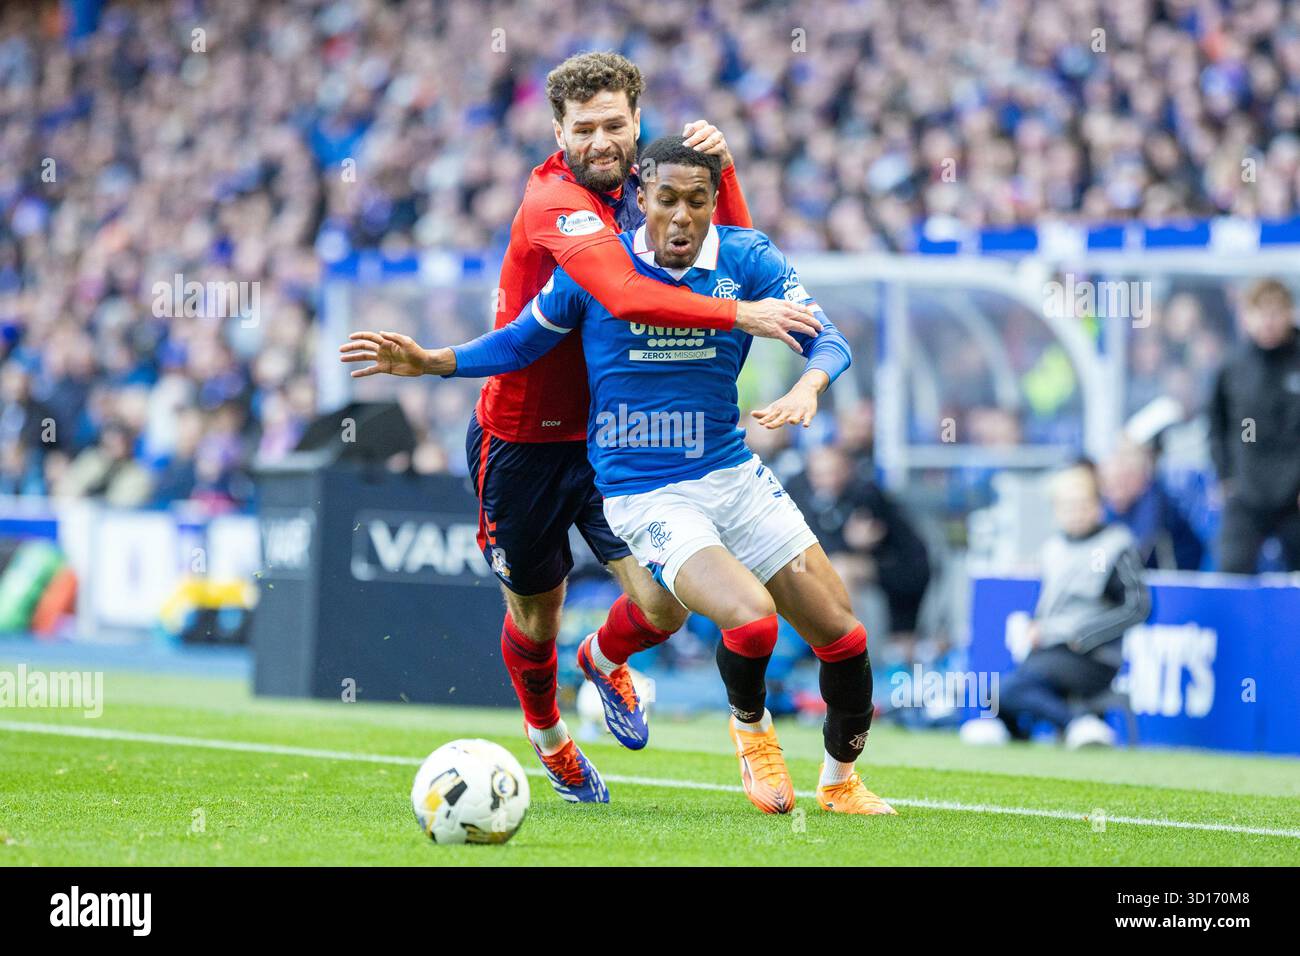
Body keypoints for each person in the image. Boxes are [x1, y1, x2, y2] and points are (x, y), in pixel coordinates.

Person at [345, 137, 895, 817]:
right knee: (750, 622)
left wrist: (811, 386)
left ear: (714, 200)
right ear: (641, 200)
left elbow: (828, 338)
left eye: (698, 200)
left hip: (732, 472)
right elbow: (522, 339)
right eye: (666, 199)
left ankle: (841, 781)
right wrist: (437, 361)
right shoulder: (597, 270)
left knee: (845, 638)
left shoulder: (748, 258)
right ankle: (752, 735)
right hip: (645, 490)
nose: (682, 217)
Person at [963, 460, 1151, 748]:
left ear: (1098, 505)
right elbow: (1050, 605)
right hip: (1049, 652)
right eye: (1067, 506)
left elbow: (1138, 606)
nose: (1075, 513)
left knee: (1006, 690)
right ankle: (1023, 729)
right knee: (995, 692)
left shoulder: (1116, 545)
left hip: (1090, 658)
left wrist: (1084, 636)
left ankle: (1075, 724)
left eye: (1082, 504)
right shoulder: (1053, 548)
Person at [1207, 278, 1300, 573]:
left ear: (1290, 313)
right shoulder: (1233, 367)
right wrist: (1226, 477)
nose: (1268, 322)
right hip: (1246, 493)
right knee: (1231, 571)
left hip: (1295, 495)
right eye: (1260, 312)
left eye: (1276, 312)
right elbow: (1217, 426)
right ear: (1246, 316)